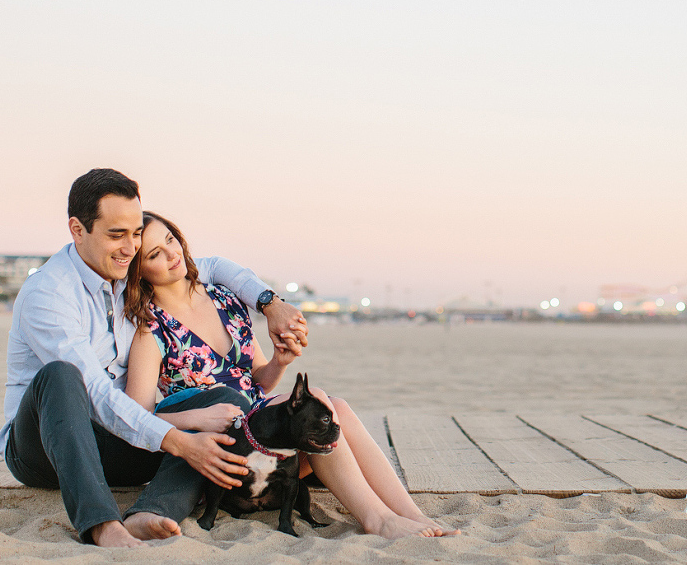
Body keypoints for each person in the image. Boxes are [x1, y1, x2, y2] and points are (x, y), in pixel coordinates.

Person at [0, 168, 309, 548]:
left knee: (223, 403)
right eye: (116, 235)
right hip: (45, 446)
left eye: (135, 234)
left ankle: (154, 511)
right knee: (63, 376)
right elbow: (94, 392)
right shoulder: (49, 293)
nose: (130, 247)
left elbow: (213, 266)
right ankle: (102, 525)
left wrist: (269, 304)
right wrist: (177, 438)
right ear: (78, 230)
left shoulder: (126, 272)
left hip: (115, 438)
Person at [124, 210, 458, 539]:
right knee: (322, 405)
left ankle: (411, 513)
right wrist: (201, 416)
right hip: (227, 453)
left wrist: (279, 362)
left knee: (334, 407)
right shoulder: (149, 329)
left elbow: (257, 379)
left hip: (266, 437)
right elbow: (134, 417)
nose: (172, 255)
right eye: (155, 253)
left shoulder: (223, 299)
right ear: (139, 269)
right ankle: (379, 520)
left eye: (171, 240)